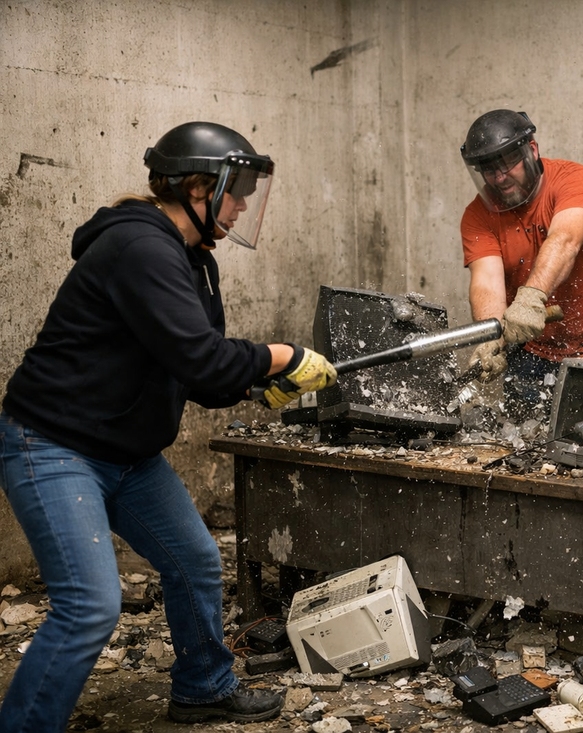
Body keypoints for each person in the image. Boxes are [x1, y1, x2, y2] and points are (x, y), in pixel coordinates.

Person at [0, 121, 338, 731]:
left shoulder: (192, 259)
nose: (242, 206)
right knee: (89, 608)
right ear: (198, 188)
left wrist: (257, 384)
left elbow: (203, 374)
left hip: (127, 455)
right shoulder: (142, 248)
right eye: (236, 191)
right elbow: (201, 356)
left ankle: (203, 688)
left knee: (195, 561)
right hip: (54, 446)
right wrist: (280, 356)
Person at [459, 109, 583, 419]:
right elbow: (486, 282)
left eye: (508, 164)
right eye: (489, 170)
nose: (500, 178)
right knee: (527, 450)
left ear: (532, 150)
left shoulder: (574, 179)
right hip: (532, 354)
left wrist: (530, 297)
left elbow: (565, 240)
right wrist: (492, 339)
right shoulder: (477, 216)